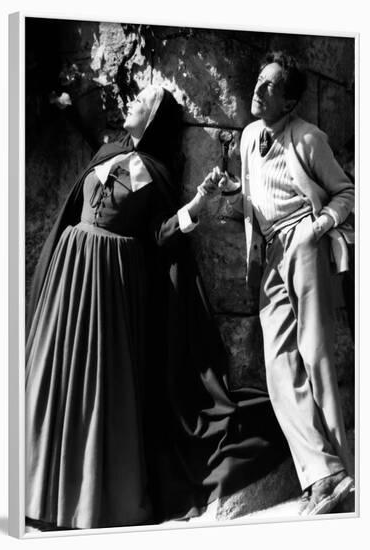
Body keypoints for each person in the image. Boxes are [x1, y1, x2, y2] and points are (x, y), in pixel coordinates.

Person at [25, 84, 288, 531]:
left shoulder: (152, 174)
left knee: (96, 385)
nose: (130, 104)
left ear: (153, 118)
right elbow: (76, 208)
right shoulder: (106, 150)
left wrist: (198, 203)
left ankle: (85, 500)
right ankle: (30, 482)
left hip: (109, 287)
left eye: (139, 102)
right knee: (53, 378)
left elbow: (162, 234)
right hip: (69, 279)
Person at [218, 51, 355, 515]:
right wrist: (231, 192)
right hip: (270, 252)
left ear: (290, 100)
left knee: (315, 358)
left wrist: (317, 229)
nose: (258, 90)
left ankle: (341, 473)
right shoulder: (249, 136)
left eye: (270, 86)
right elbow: (255, 190)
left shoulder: (309, 138)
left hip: (305, 242)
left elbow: (347, 191)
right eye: (259, 80)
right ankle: (325, 472)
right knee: (279, 368)